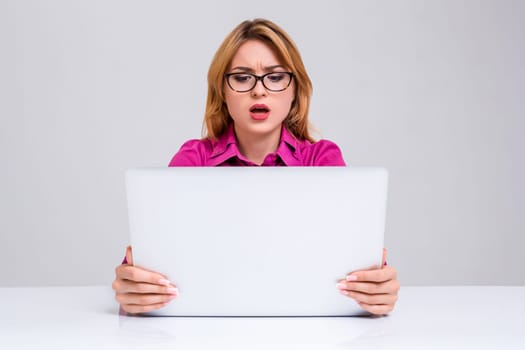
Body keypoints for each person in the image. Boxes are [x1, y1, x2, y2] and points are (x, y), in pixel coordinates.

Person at [112, 18, 399, 316]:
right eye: (242, 77)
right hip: (203, 331)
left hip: (309, 329)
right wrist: (134, 286)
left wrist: (377, 288)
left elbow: (352, 260)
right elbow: (154, 262)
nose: (259, 91)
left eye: (275, 78)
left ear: (294, 91)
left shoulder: (322, 161)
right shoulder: (193, 160)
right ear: (222, 91)